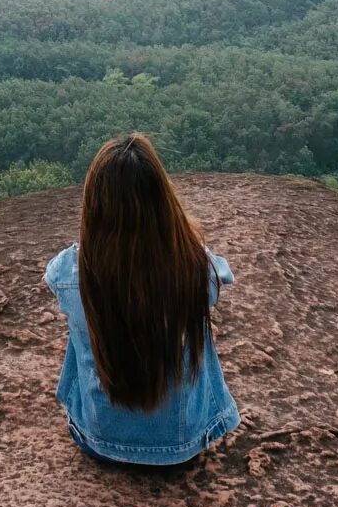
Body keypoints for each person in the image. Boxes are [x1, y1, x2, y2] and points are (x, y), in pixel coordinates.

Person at [43, 132, 240, 467]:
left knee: (91, 319)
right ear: (163, 202)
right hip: (180, 447)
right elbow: (219, 279)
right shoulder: (195, 268)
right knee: (192, 323)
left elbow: (51, 279)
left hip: (99, 441)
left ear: (94, 206)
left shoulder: (70, 271)